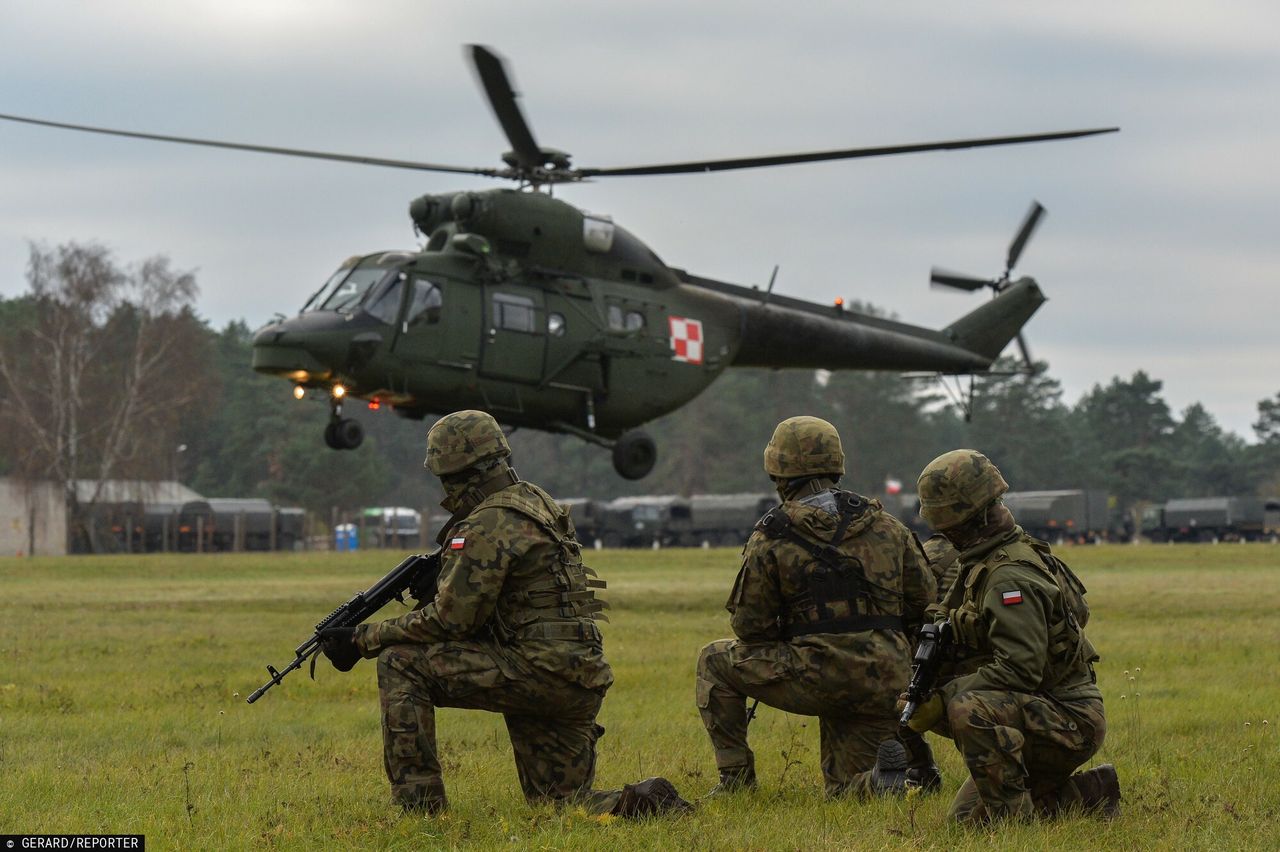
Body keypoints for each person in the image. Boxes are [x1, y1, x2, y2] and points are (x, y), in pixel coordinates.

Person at [319, 410, 690, 817]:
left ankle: (418, 809)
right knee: (561, 804)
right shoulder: (535, 501)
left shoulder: (483, 524)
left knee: (400, 663)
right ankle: (649, 802)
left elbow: (451, 622)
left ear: (458, 471)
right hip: (577, 675)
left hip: (538, 672)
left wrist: (364, 638)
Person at [695, 416, 937, 798]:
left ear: (778, 471)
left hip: (817, 675)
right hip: (885, 678)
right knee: (844, 790)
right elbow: (925, 603)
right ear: (836, 465)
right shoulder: (888, 526)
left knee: (713, 660)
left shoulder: (772, 534)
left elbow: (749, 627)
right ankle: (886, 777)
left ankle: (735, 781)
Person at [907, 449, 1120, 824]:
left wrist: (943, 699)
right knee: (966, 823)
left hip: (1070, 719)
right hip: (1049, 706)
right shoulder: (987, 556)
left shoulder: (1009, 574)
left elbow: (1021, 669)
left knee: (967, 708)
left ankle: (1015, 828)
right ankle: (1090, 794)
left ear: (964, 519)